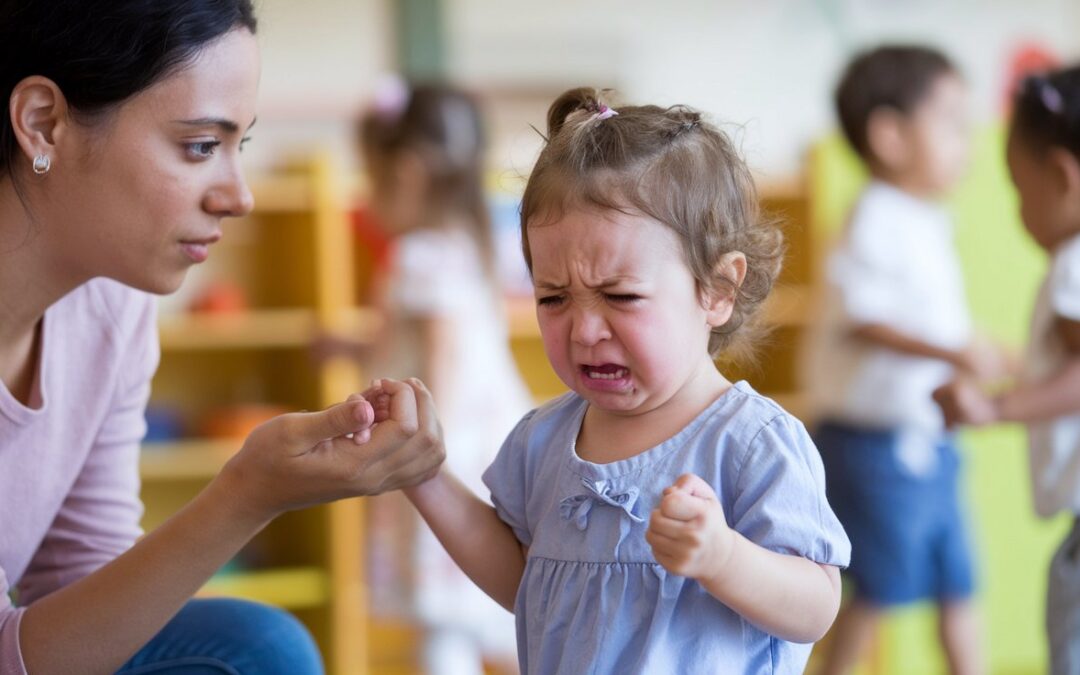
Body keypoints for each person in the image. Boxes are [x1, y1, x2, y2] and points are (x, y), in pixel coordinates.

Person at [0, 3, 444, 674]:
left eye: (242, 146)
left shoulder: (114, 308)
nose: (239, 196)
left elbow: (78, 591)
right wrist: (247, 496)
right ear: (43, 124)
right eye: (202, 146)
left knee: (258, 645)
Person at [398, 87, 851, 674]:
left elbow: (816, 606)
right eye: (553, 298)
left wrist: (723, 557)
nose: (585, 330)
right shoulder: (542, 441)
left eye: (621, 296)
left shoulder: (750, 443)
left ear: (717, 290)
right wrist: (425, 475)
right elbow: (524, 584)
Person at [801, 45, 1002, 675]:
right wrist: (953, 349)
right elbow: (865, 315)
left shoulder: (923, 218)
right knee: (876, 589)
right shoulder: (874, 217)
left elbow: (938, 318)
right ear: (888, 135)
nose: (965, 141)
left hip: (928, 440)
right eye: (948, 122)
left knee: (958, 581)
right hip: (873, 448)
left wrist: (982, 349)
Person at [357, 81, 528, 675]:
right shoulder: (468, 245)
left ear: (406, 174)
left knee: (442, 617)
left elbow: (444, 350)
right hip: (486, 444)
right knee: (493, 612)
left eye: (371, 178)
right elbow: (417, 338)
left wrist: (423, 446)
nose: (367, 197)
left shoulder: (420, 254)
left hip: (446, 451)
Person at [934, 65, 1080, 675]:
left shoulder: (1074, 263)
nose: (1020, 209)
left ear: (1062, 178)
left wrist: (997, 407)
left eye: (1020, 189)